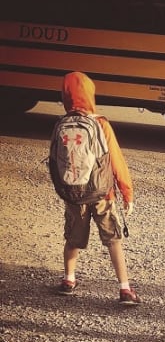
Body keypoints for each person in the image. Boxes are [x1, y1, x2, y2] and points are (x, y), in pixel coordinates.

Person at [56, 71, 140, 305]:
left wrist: (64, 189)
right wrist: (127, 193)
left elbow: (56, 161)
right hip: (103, 193)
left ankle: (69, 279)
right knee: (113, 239)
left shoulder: (62, 124)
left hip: (74, 193)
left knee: (73, 237)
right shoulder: (100, 123)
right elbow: (116, 161)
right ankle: (124, 288)